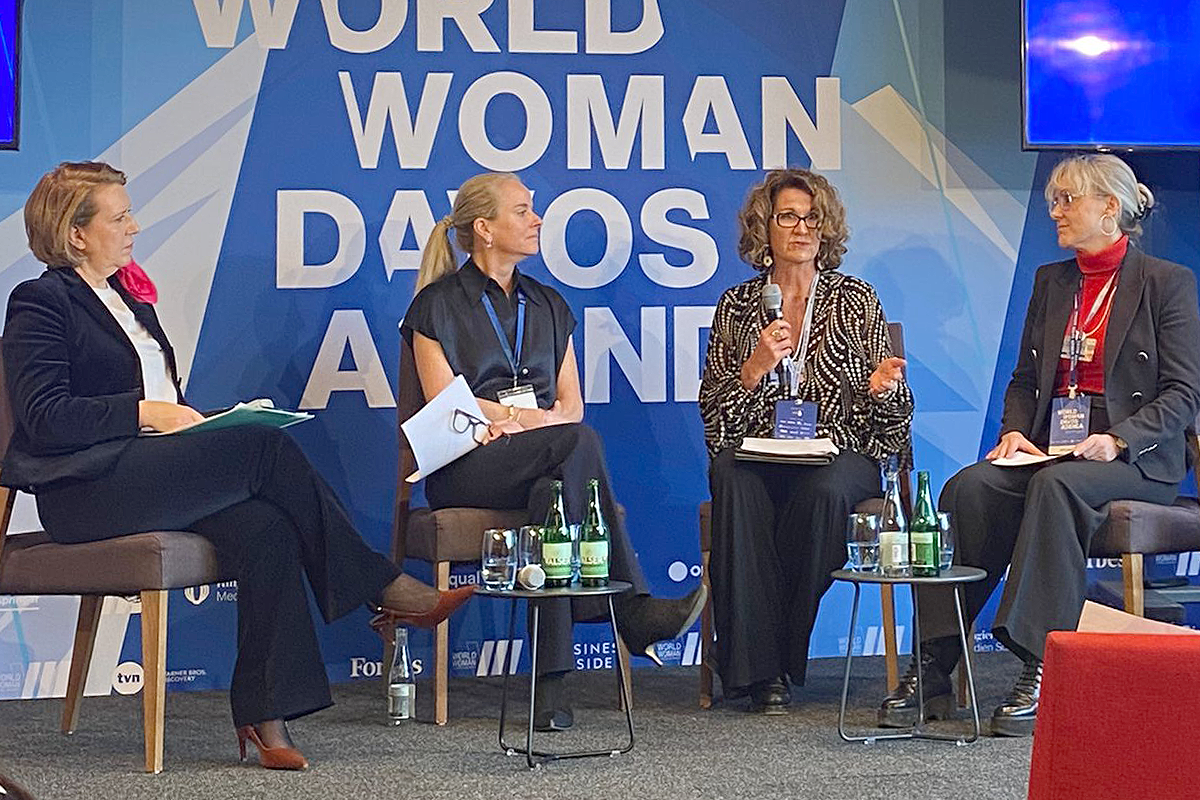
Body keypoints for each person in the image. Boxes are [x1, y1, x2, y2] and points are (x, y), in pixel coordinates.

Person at [2, 161, 476, 770]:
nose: (134, 226)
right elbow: (45, 416)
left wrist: (187, 420)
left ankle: (263, 712)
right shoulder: (40, 301)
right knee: (262, 446)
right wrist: (146, 411)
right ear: (75, 234)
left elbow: (156, 404)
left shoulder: (127, 300)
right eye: (119, 217)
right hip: (87, 492)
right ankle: (381, 586)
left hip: (146, 471)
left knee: (266, 526)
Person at [880, 154, 1200, 736]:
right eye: (1053, 200)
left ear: (1109, 207)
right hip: (1057, 443)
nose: (1054, 212)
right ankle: (935, 661)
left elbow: (1183, 393)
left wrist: (1118, 438)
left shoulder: (1166, 283)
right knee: (970, 486)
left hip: (1135, 454)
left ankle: (1039, 660)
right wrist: (1014, 433)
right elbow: (1027, 380)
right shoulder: (1051, 281)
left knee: (1056, 487)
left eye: (1067, 200)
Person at [402, 171, 707, 732]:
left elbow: (572, 404)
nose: (537, 218)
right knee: (577, 445)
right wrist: (520, 420)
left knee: (554, 497)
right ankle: (632, 612)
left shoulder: (549, 304)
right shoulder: (436, 306)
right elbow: (444, 403)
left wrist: (532, 425)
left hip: (542, 458)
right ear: (484, 229)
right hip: (468, 464)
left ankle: (550, 690)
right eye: (522, 211)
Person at [698, 169, 913, 713]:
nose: (802, 228)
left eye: (812, 218)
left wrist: (882, 390)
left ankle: (770, 665)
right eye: (788, 216)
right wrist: (755, 367)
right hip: (762, 449)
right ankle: (760, 670)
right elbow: (714, 418)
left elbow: (891, 428)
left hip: (839, 453)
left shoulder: (855, 299)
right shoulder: (737, 306)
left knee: (821, 493)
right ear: (763, 228)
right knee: (730, 475)